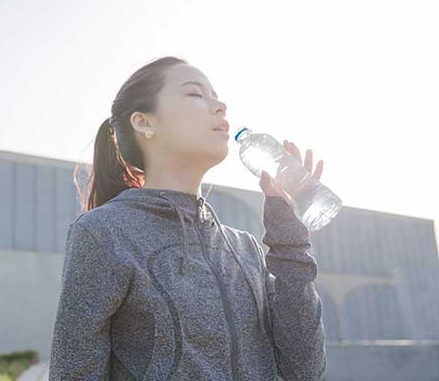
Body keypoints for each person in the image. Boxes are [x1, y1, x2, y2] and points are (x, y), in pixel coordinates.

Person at [49, 56, 326, 380]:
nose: (220, 105)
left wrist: (289, 235)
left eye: (216, 96)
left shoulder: (244, 248)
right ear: (145, 122)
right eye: (195, 94)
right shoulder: (104, 233)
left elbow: (303, 370)